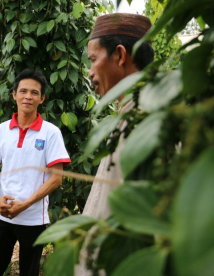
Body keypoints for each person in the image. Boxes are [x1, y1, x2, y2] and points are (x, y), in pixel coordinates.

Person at [76, 13, 154, 275]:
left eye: (93, 59)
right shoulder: (127, 117)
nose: (90, 72)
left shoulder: (145, 122)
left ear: (120, 56)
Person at [0, 69, 71, 276]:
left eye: (34, 93)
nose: (28, 96)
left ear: (42, 98)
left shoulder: (50, 133)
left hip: (34, 219)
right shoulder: (1, 131)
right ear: (14, 94)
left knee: (29, 272)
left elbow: (56, 178)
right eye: (23, 91)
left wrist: (26, 204)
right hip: (2, 214)